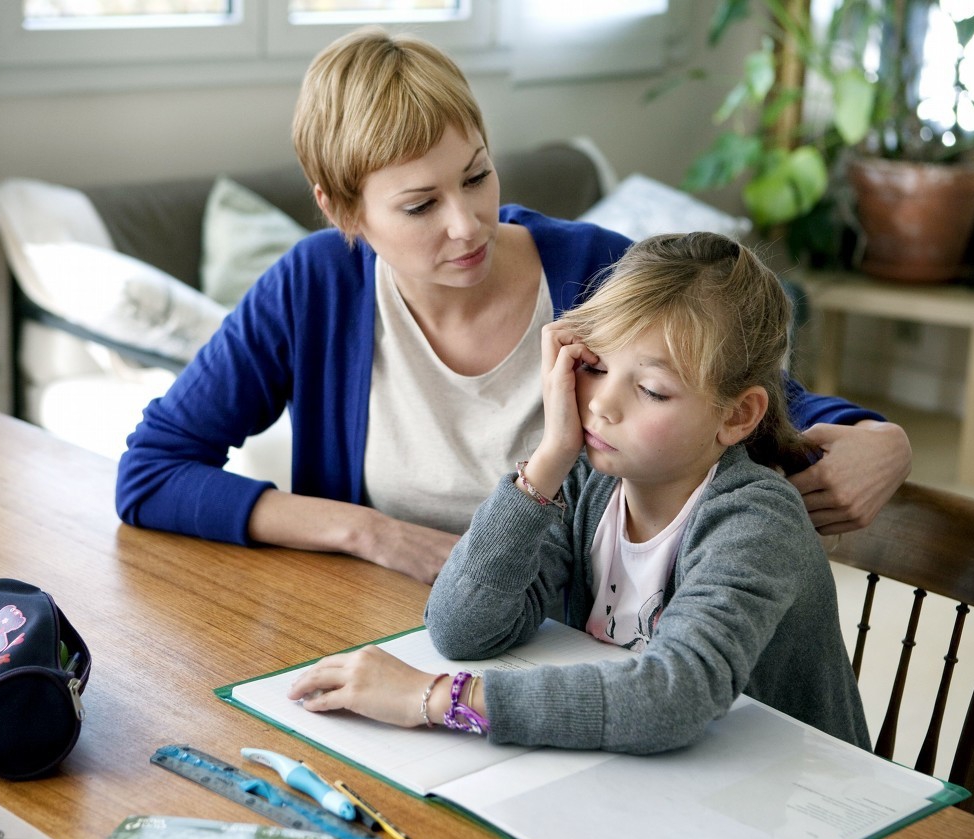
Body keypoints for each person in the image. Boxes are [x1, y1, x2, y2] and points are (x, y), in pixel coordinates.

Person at [115, 26, 910, 584]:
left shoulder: (595, 271)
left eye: (476, 176)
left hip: (588, 649)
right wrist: (370, 533)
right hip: (385, 629)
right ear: (342, 209)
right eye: (420, 205)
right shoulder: (313, 286)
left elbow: (754, 397)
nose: (468, 224)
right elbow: (152, 471)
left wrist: (884, 437)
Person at [288, 232, 870, 752]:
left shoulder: (756, 521)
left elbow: (674, 697)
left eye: (651, 389)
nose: (601, 405)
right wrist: (547, 460)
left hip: (796, 799)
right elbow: (463, 627)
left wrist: (438, 698)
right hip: (657, 781)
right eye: (594, 366)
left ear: (737, 415)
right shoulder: (588, 484)